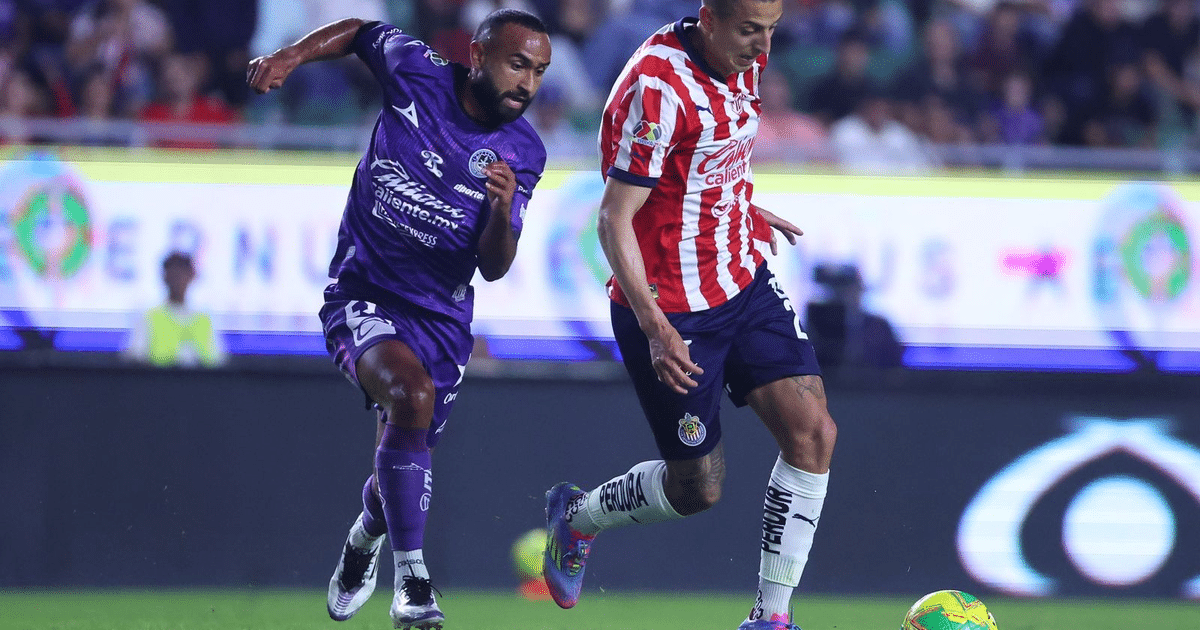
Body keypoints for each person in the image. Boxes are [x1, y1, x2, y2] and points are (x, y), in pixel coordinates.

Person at [247, 10, 551, 630]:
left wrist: (498, 210)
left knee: (403, 457)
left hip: (441, 321)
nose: (528, 83)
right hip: (363, 291)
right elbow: (360, 30)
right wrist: (290, 57)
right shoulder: (419, 73)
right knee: (409, 398)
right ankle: (413, 582)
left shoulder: (525, 152)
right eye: (518, 64)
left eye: (539, 71)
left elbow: (493, 268)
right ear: (478, 56)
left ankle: (363, 540)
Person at [540, 2, 837, 630]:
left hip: (741, 277)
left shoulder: (743, 63)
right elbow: (613, 219)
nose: (761, 49)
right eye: (749, 32)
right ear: (709, 17)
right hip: (674, 312)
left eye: (771, 33)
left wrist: (745, 210)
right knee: (696, 490)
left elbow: (713, 160)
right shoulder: (658, 88)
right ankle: (579, 517)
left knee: (813, 433)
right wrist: (654, 326)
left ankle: (770, 618)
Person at [124, 251, 226, 368]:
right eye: (173, 275)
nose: (178, 281)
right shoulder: (150, 317)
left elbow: (217, 360)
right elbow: (135, 359)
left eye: (182, 275)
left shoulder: (205, 320)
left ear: (191, 276)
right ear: (165, 277)